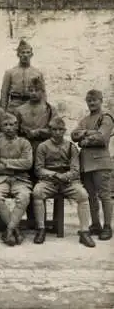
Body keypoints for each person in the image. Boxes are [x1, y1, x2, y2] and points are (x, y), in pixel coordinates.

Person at [32, 117, 96, 248]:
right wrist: (54, 175)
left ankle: (84, 232)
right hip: (49, 180)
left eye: (60, 130)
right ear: (50, 131)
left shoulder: (71, 147)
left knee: (83, 195)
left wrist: (65, 176)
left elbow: (75, 169)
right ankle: (41, 229)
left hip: (68, 181)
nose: (57, 132)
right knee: (37, 192)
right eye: (54, 129)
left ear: (64, 131)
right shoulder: (43, 147)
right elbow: (39, 169)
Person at [15, 76, 57, 227]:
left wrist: (39, 131)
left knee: (42, 183)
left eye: (36, 90)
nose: (33, 93)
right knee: (28, 182)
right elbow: (15, 130)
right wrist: (25, 132)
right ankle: (31, 218)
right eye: (30, 90)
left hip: (44, 150)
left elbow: (55, 129)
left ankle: (42, 220)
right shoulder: (20, 110)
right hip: (26, 150)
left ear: (42, 91)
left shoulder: (49, 108)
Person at [71, 89, 113, 240]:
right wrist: (89, 133)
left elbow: (102, 138)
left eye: (95, 100)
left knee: (105, 196)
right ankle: (95, 224)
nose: (92, 103)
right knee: (90, 197)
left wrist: (84, 137)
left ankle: (107, 226)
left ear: (101, 100)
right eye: (89, 100)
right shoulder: (85, 119)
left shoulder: (106, 117)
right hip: (86, 164)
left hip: (101, 163)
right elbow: (73, 135)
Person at [0, 113, 33, 246]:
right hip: (1, 179)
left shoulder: (24, 143)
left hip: (20, 179)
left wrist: (5, 163)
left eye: (12, 125)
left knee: (24, 196)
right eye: (5, 125)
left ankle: (9, 230)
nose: (9, 128)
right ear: (2, 127)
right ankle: (16, 229)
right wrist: (15, 166)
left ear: (17, 126)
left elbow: (27, 163)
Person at [1, 40, 44, 113]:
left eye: (28, 52)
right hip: (14, 106)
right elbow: (4, 94)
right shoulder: (10, 72)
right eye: (23, 52)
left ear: (31, 54)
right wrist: (3, 112)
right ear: (18, 54)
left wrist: (42, 109)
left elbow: (42, 93)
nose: (25, 55)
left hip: (31, 106)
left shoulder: (37, 73)